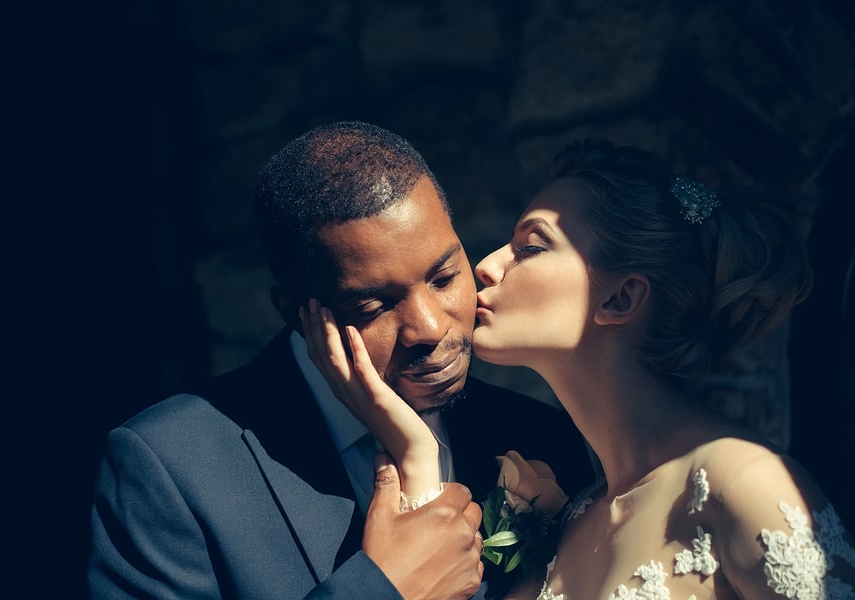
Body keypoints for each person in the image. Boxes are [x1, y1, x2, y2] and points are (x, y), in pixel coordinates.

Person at [306, 138, 855, 599]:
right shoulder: (571, 518)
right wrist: (418, 458)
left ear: (619, 299)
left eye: (530, 246)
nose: (487, 266)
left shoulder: (741, 483)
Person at [87, 121, 597, 600]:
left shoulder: (542, 438)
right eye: (373, 307)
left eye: (444, 278)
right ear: (293, 312)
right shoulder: (170, 467)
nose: (431, 327)